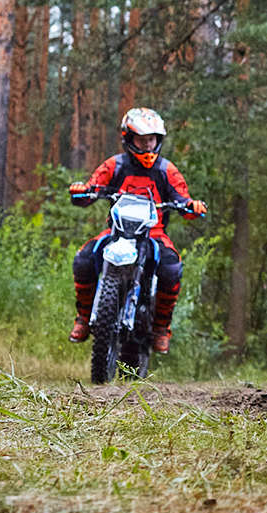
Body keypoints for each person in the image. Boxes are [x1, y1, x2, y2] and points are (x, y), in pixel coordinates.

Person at [66, 107, 207, 354]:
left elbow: (183, 199)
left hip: (154, 234)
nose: (148, 146)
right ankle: (84, 317)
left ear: (158, 141)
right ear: (129, 139)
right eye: (142, 141)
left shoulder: (167, 170)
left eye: (151, 140)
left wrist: (192, 206)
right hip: (117, 232)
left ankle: (161, 328)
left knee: (171, 267)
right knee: (84, 259)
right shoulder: (114, 165)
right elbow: (90, 189)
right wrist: (81, 191)